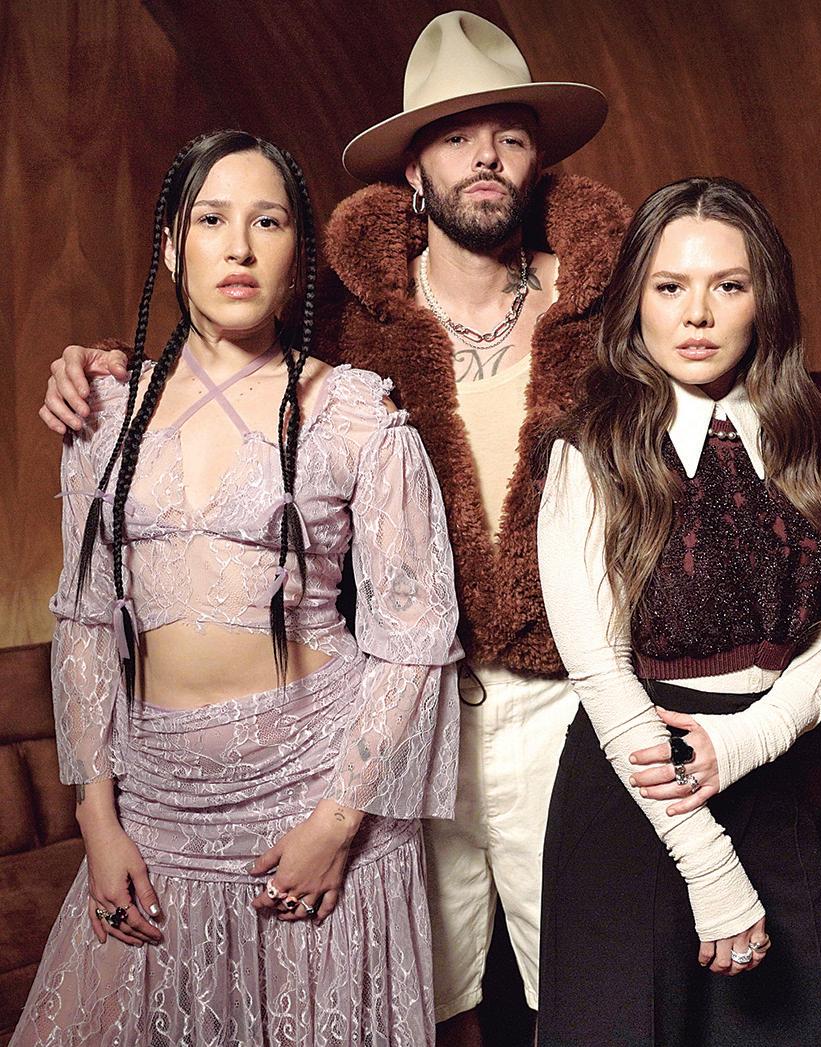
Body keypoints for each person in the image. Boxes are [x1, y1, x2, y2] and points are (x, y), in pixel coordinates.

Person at [36, 13, 821, 1042]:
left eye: (509, 136)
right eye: (454, 136)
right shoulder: (346, 317)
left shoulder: (605, 302)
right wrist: (98, 367)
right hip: (407, 705)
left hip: (569, 700)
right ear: (413, 168)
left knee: (579, 984)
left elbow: (707, 366)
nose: (484, 157)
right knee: (420, 985)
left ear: (539, 163)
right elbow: (227, 350)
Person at [13, 130, 460, 1046]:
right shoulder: (102, 413)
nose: (240, 248)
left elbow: (414, 636)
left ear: (298, 252)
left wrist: (337, 823)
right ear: (173, 248)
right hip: (153, 805)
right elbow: (86, 625)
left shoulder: (356, 413)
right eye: (212, 220)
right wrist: (96, 817)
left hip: (313, 792)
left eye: (268, 222)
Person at [535, 177, 821, 1045]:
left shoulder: (805, 437)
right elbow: (598, 669)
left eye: (728, 285)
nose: (697, 315)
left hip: (767, 775)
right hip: (636, 792)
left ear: (765, 300)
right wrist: (709, 866)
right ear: (634, 301)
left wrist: (747, 741)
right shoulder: (589, 449)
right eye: (669, 286)